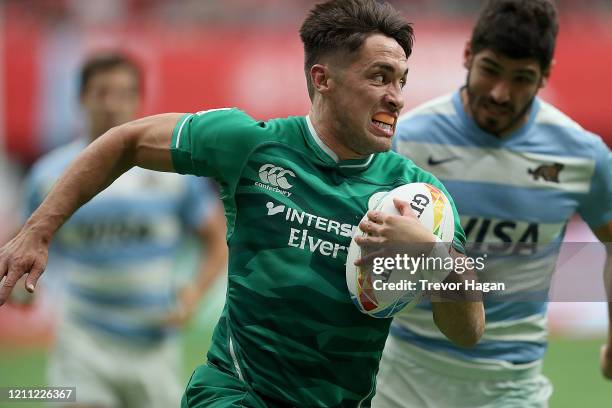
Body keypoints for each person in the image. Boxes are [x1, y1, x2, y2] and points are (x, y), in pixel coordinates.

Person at [0, 1, 485, 407]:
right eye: (380, 77)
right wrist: (38, 231)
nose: (396, 97)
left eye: (401, 80)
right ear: (323, 79)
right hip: (234, 392)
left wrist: (433, 256)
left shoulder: (420, 201)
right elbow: (125, 141)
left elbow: (467, 331)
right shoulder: (250, 145)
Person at [373, 0, 612, 407]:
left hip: (510, 386)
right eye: (490, 70)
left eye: (522, 78)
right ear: (467, 55)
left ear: (545, 75)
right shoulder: (406, 141)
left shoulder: (582, 156)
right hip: (401, 377)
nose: (501, 93)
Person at [21, 53, 228, 408]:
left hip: (154, 343)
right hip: (82, 340)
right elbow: (22, 243)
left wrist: (193, 295)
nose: (113, 105)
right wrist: (19, 287)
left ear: (138, 100)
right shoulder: (49, 175)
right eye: (102, 93)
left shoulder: (173, 174)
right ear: (82, 99)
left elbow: (217, 241)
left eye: (124, 93)